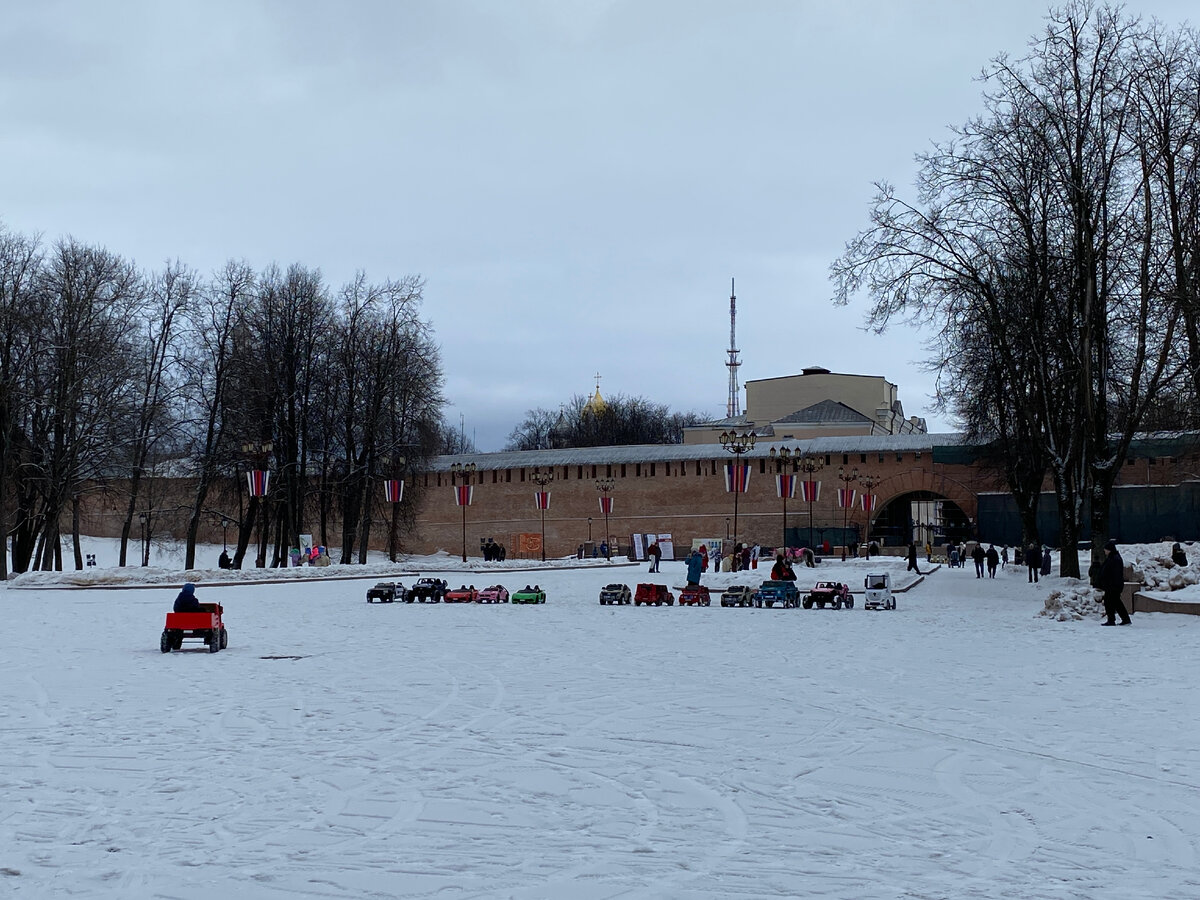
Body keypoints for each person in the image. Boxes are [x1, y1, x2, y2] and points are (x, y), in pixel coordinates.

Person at [1098, 539, 1132, 625]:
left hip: (1113, 585)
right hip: (1113, 585)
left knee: (1109, 602)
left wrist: (1109, 583)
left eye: (1105, 549)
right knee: (1116, 602)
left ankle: (1112, 620)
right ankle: (1124, 619)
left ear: (1109, 550)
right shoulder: (1113, 557)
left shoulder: (1114, 559)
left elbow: (1114, 573)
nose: (1104, 551)